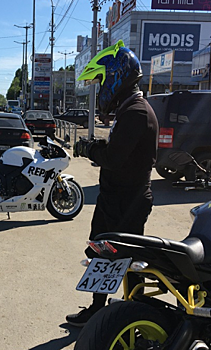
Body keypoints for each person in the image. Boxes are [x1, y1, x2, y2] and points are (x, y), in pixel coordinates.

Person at [66, 40, 159, 327]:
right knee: (103, 254)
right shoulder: (131, 109)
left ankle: (133, 314)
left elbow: (114, 158)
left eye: (100, 81)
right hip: (118, 198)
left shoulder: (136, 112)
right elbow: (121, 151)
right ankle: (103, 310)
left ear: (116, 77)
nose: (99, 88)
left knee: (122, 258)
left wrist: (89, 149)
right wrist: (97, 146)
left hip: (126, 202)